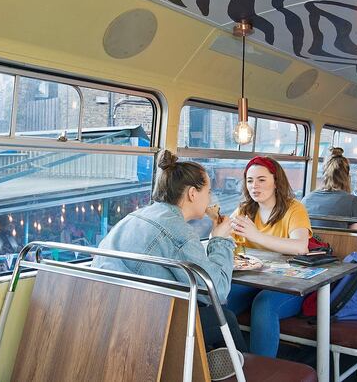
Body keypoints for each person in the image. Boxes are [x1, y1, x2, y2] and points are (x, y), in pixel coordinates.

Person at [92, 150, 247, 357]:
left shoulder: (137, 215)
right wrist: (220, 239)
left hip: (104, 309)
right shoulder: (177, 230)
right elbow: (217, 291)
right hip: (143, 319)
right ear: (193, 193)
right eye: (208, 191)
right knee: (224, 317)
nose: (210, 197)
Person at [225, 156, 311, 357]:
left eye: (261, 180)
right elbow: (226, 240)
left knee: (264, 304)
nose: (254, 186)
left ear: (276, 182)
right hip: (252, 280)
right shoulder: (245, 209)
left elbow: (301, 247)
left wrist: (256, 236)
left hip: (289, 283)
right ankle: (223, 361)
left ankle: (260, 370)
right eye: (250, 180)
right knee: (220, 298)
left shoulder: (294, 208)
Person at [302, 147, 357, 229]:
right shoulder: (355, 202)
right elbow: (354, 236)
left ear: (325, 174)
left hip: (310, 241)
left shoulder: (306, 199)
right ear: (347, 177)